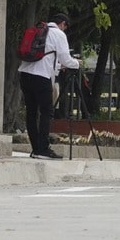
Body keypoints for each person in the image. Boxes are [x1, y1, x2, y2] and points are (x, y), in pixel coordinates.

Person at [18, 12, 79, 159]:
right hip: (41, 77)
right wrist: (76, 63)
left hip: (25, 75)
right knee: (47, 111)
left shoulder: (39, 30)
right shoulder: (59, 34)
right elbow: (65, 58)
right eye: (65, 27)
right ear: (63, 23)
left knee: (31, 112)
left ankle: (36, 149)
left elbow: (47, 58)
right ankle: (43, 149)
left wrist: (58, 66)